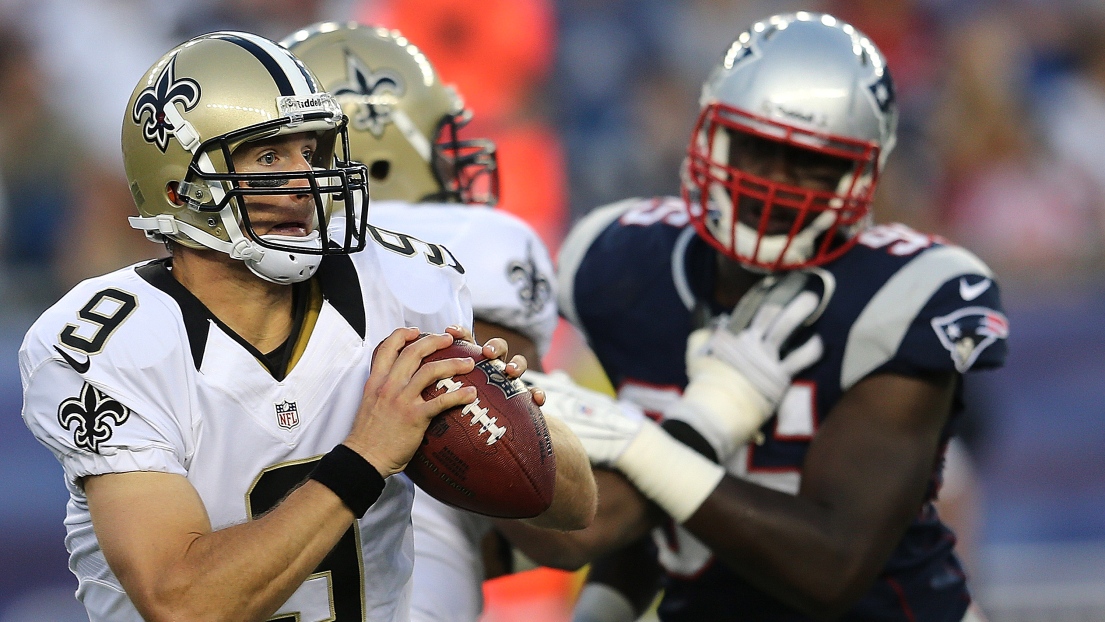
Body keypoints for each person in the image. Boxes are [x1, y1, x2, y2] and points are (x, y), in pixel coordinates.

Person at [19, 30, 594, 622]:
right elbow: (183, 604)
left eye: (313, 154)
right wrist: (366, 454)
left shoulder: (403, 286)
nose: (305, 182)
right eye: (270, 157)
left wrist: (514, 417)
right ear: (178, 186)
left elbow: (573, 516)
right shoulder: (112, 343)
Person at [538, 12, 1009, 621]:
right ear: (707, 133)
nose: (778, 186)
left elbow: (831, 567)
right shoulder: (622, 263)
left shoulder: (911, 292)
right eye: (759, 148)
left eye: (815, 163)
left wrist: (642, 445)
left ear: (864, 173)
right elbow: (652, 525)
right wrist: (603, 607)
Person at [281, 22, 605, 621]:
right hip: (407, 577)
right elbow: (551, 506)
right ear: (377, 155)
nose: (458, 166)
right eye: (441, 143)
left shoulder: (231, 273)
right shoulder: (472, 246)